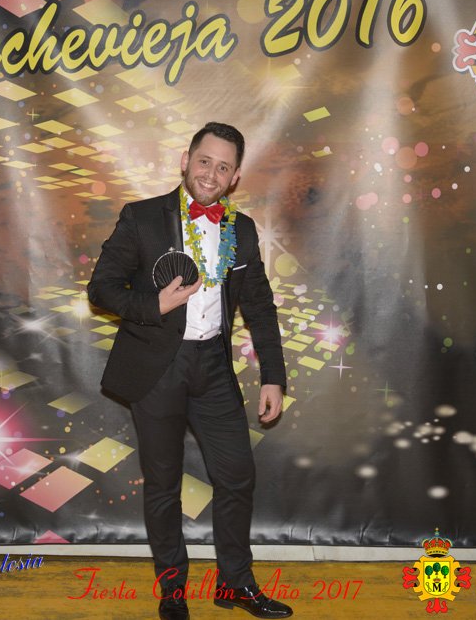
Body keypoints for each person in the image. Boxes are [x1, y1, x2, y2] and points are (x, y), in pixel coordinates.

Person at [87, 122, 292, 619]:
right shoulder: (141, 217)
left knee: (237, 476)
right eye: (204, 161)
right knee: (163, 484)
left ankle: (234, 585)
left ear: (235, 176)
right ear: (186, 160)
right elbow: (101, 288)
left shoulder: (242, 229)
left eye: (223, 167)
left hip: (213, 368)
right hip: (157, 366)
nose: (211, 174)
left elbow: (260, 307)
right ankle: (172, 589)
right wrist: (152, 304)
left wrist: (273, 376)